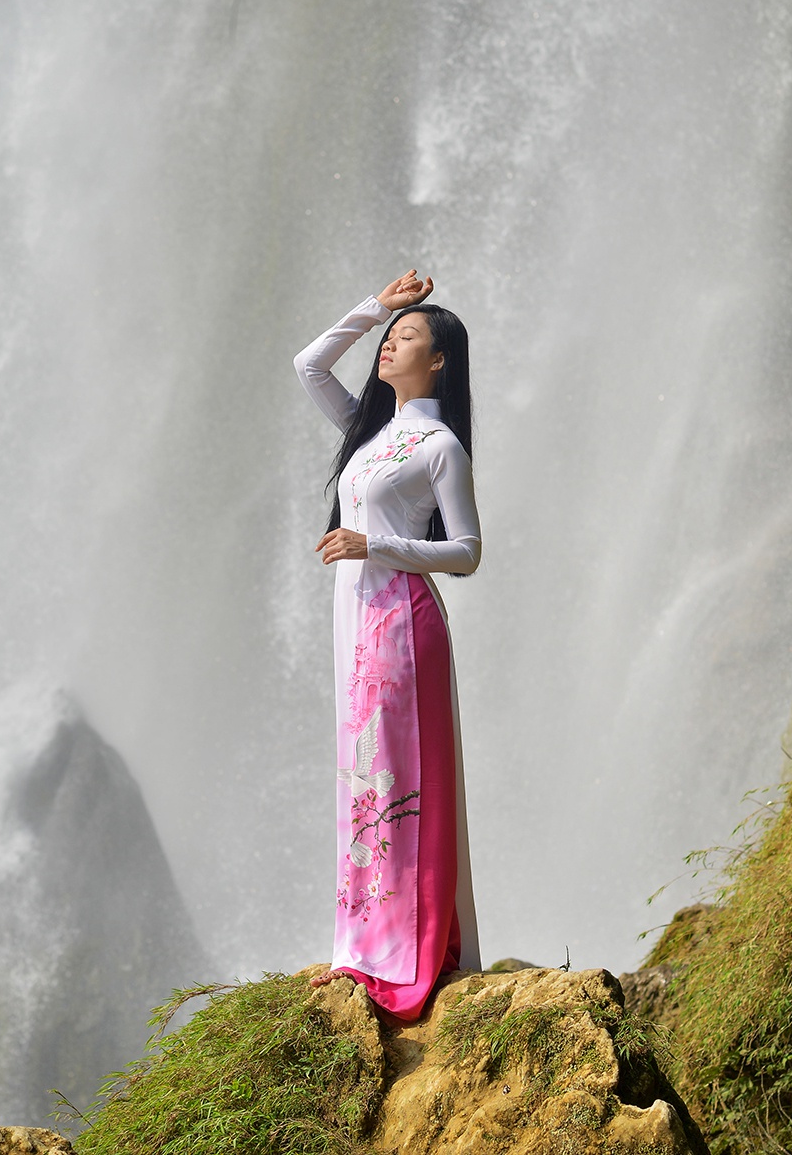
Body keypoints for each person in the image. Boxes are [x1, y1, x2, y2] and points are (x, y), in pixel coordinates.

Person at [295, 269, 482, 1022]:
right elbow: (309, 363)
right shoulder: (372, 436)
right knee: (362, 776)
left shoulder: (438, 445)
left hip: (403, 623)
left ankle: (403, 954)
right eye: (390, 337)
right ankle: (359, 948)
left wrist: (376, 542)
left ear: (438, 362)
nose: (389, 345)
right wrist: (380, 303)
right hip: (358, 625)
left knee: (397, 781)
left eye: (407, 337)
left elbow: (467, 551)